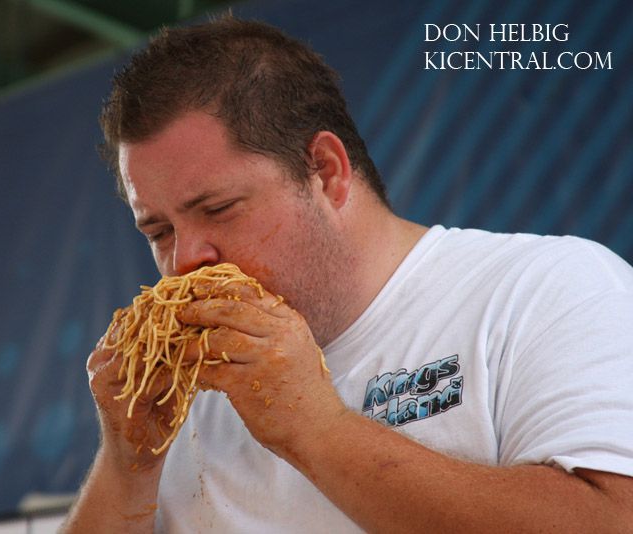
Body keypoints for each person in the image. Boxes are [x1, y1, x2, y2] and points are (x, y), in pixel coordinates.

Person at [62, 16, 633, 533]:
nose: (185, 261)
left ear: (326, 171)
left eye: (218, 210)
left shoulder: (546, 288)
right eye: (158, 231)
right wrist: (126, 463)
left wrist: (317, 430)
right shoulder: (182, 391)